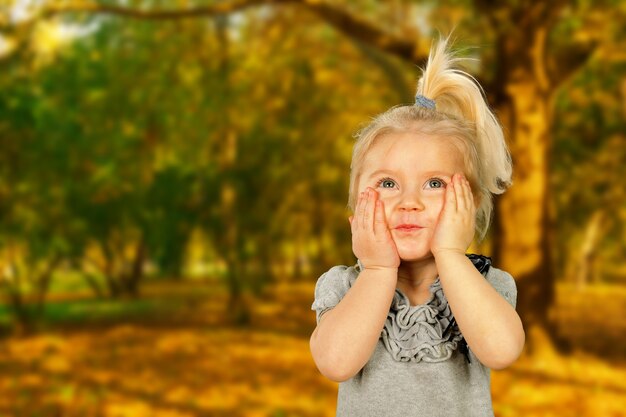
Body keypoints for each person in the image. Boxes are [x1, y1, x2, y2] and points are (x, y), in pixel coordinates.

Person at [309, 37, 525, 417]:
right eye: (388, 184)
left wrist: (451, 255)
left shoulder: (487, 286)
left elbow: (502, 350)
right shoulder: (342, 287)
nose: (410, 202)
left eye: (435, 183)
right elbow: (335, 363)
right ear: (357, 207)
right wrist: (377, 270)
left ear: (468, 205)